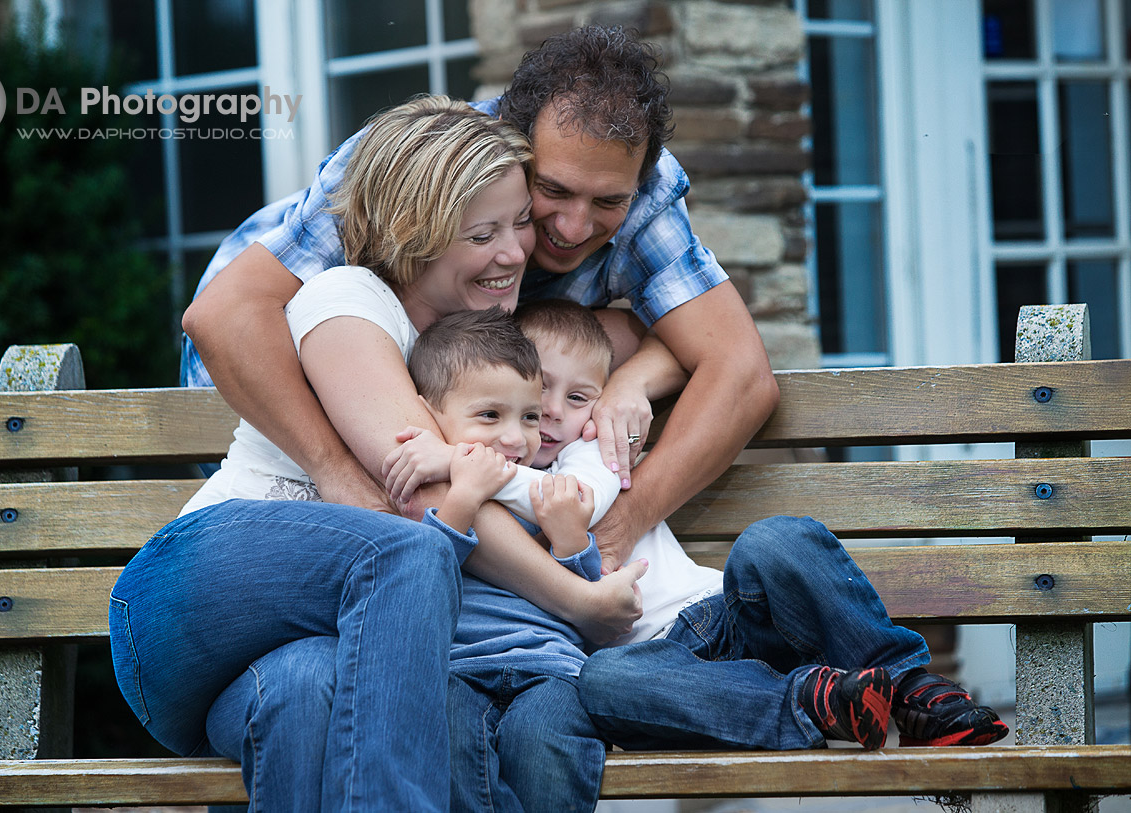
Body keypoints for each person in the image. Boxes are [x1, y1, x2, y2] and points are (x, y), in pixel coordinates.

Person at [179, 26, 781, 639]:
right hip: (269, 384)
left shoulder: (640, 185)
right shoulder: (431, 165)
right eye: (551, 192)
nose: (573, 227)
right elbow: (226, 318)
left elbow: (735, 369)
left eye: (607, 202)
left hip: (456, 393)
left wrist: (624, 487)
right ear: (516, 152)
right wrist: (337, 472)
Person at [109, 96, 586, 811]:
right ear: (412, 233)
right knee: (408, 550)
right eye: (483, 232)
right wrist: (584, 601)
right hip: (187, 596)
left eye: (520, 223)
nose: (516, 251)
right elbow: (415, 502)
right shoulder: (348, 299)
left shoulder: (467, 348)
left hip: (263, 662)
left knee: (306, 691)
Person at [389, 298, 1011, 752]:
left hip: (725, 613)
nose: (548, 415)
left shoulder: (589, 454)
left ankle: (915, 691)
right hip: (661, 666)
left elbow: (569, 499)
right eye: (536, 394)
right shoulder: (481, 500)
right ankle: (815, 702)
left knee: (777, 539)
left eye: (579, 399)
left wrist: (456, 460)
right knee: (602, 681)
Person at [400, 306, 607, 812]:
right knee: (445, 740)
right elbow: (426, 577)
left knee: (544, 745)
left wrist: (570, 541)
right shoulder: (423, 493)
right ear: (429, 414)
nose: (516, 439)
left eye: (529, 417)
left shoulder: (546, 491)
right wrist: (463, 498)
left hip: (550, 666)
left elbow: (588, 604)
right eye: (490, 416)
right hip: (458, 669)